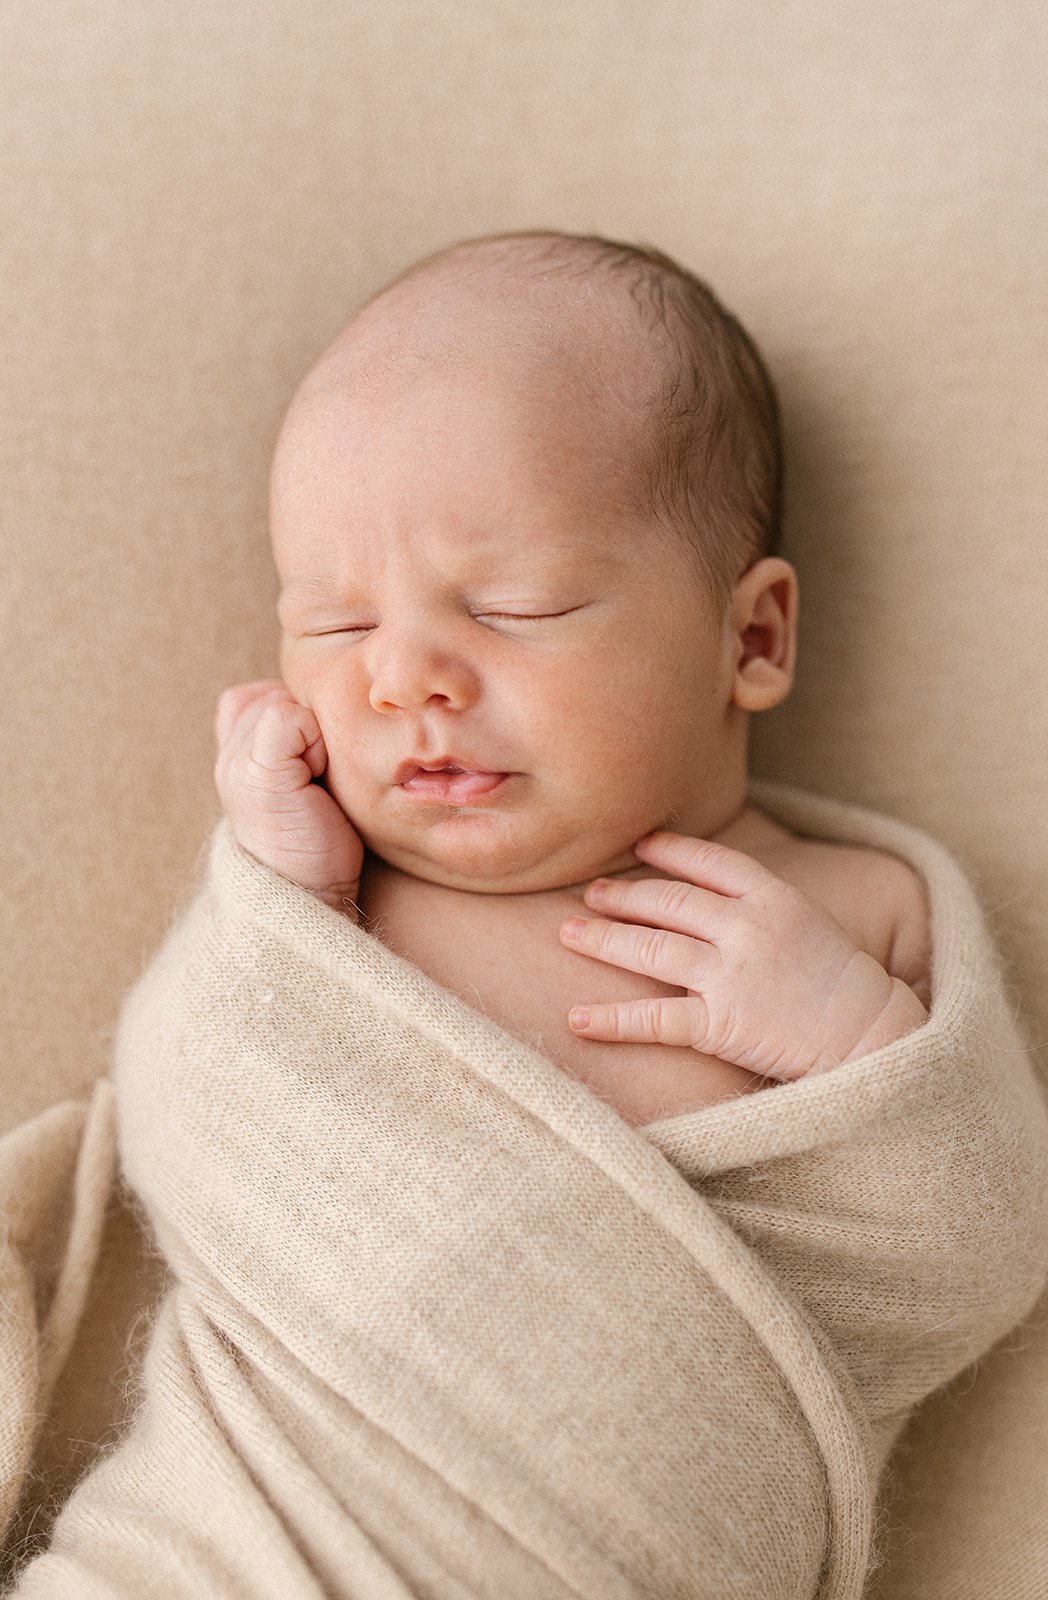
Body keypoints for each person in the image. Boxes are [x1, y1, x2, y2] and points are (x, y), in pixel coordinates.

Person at [214, 227, 931, 1130]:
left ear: (749, 638)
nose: (399, 678)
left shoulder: (863, 916)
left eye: (515, 608)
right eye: (336, 624)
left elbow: (995, 1232)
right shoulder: (334, 905)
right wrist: (285, 907)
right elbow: (213, 1116)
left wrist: (862, 1047)